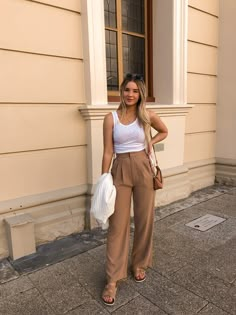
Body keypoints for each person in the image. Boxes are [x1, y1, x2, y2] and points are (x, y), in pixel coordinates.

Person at [101, 73, 168, 305]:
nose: (130, 95)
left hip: (142, 168)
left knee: (144, 219)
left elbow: (164, 131)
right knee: (117, 226)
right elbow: (108, 151)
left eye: (135, 91)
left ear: (141, 93)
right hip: (119, 168)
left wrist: (151, 142)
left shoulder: (147, 116)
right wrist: (104, 179)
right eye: (127, 90)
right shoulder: (110, 118)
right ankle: (112, 278)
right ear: (121, 91)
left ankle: (139, 263)